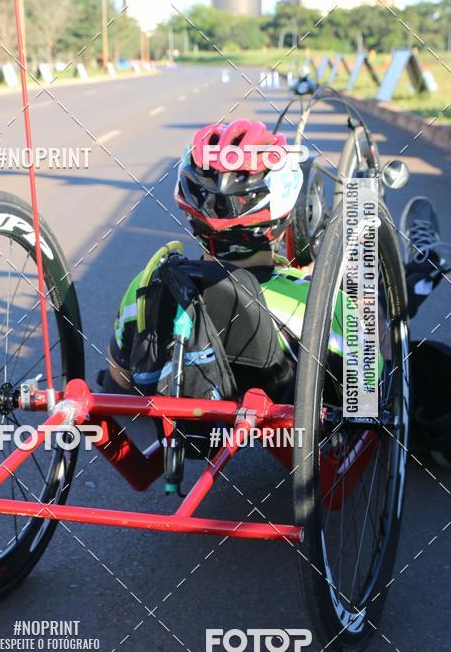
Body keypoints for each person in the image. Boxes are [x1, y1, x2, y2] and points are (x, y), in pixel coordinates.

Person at [100, 118, 449, 463]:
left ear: (189, 210)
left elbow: (119, 381)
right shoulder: (311, 304)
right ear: (285, 214)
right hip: (301, 417)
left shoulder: (148, 285)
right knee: (388, 321)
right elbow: (371, 386)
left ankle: (418, 264)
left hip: (188, 410)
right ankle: (423, 266)